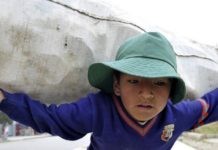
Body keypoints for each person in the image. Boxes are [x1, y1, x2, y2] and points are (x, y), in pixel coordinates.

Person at [0, 32, 217, 150]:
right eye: (133, 81)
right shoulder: (99, 109)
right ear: (116, 86)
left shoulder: (176, 116)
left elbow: (211, 104)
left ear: (172, 90)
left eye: (159, 83)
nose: (146, 94)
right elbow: (51, 118)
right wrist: (4, 100)